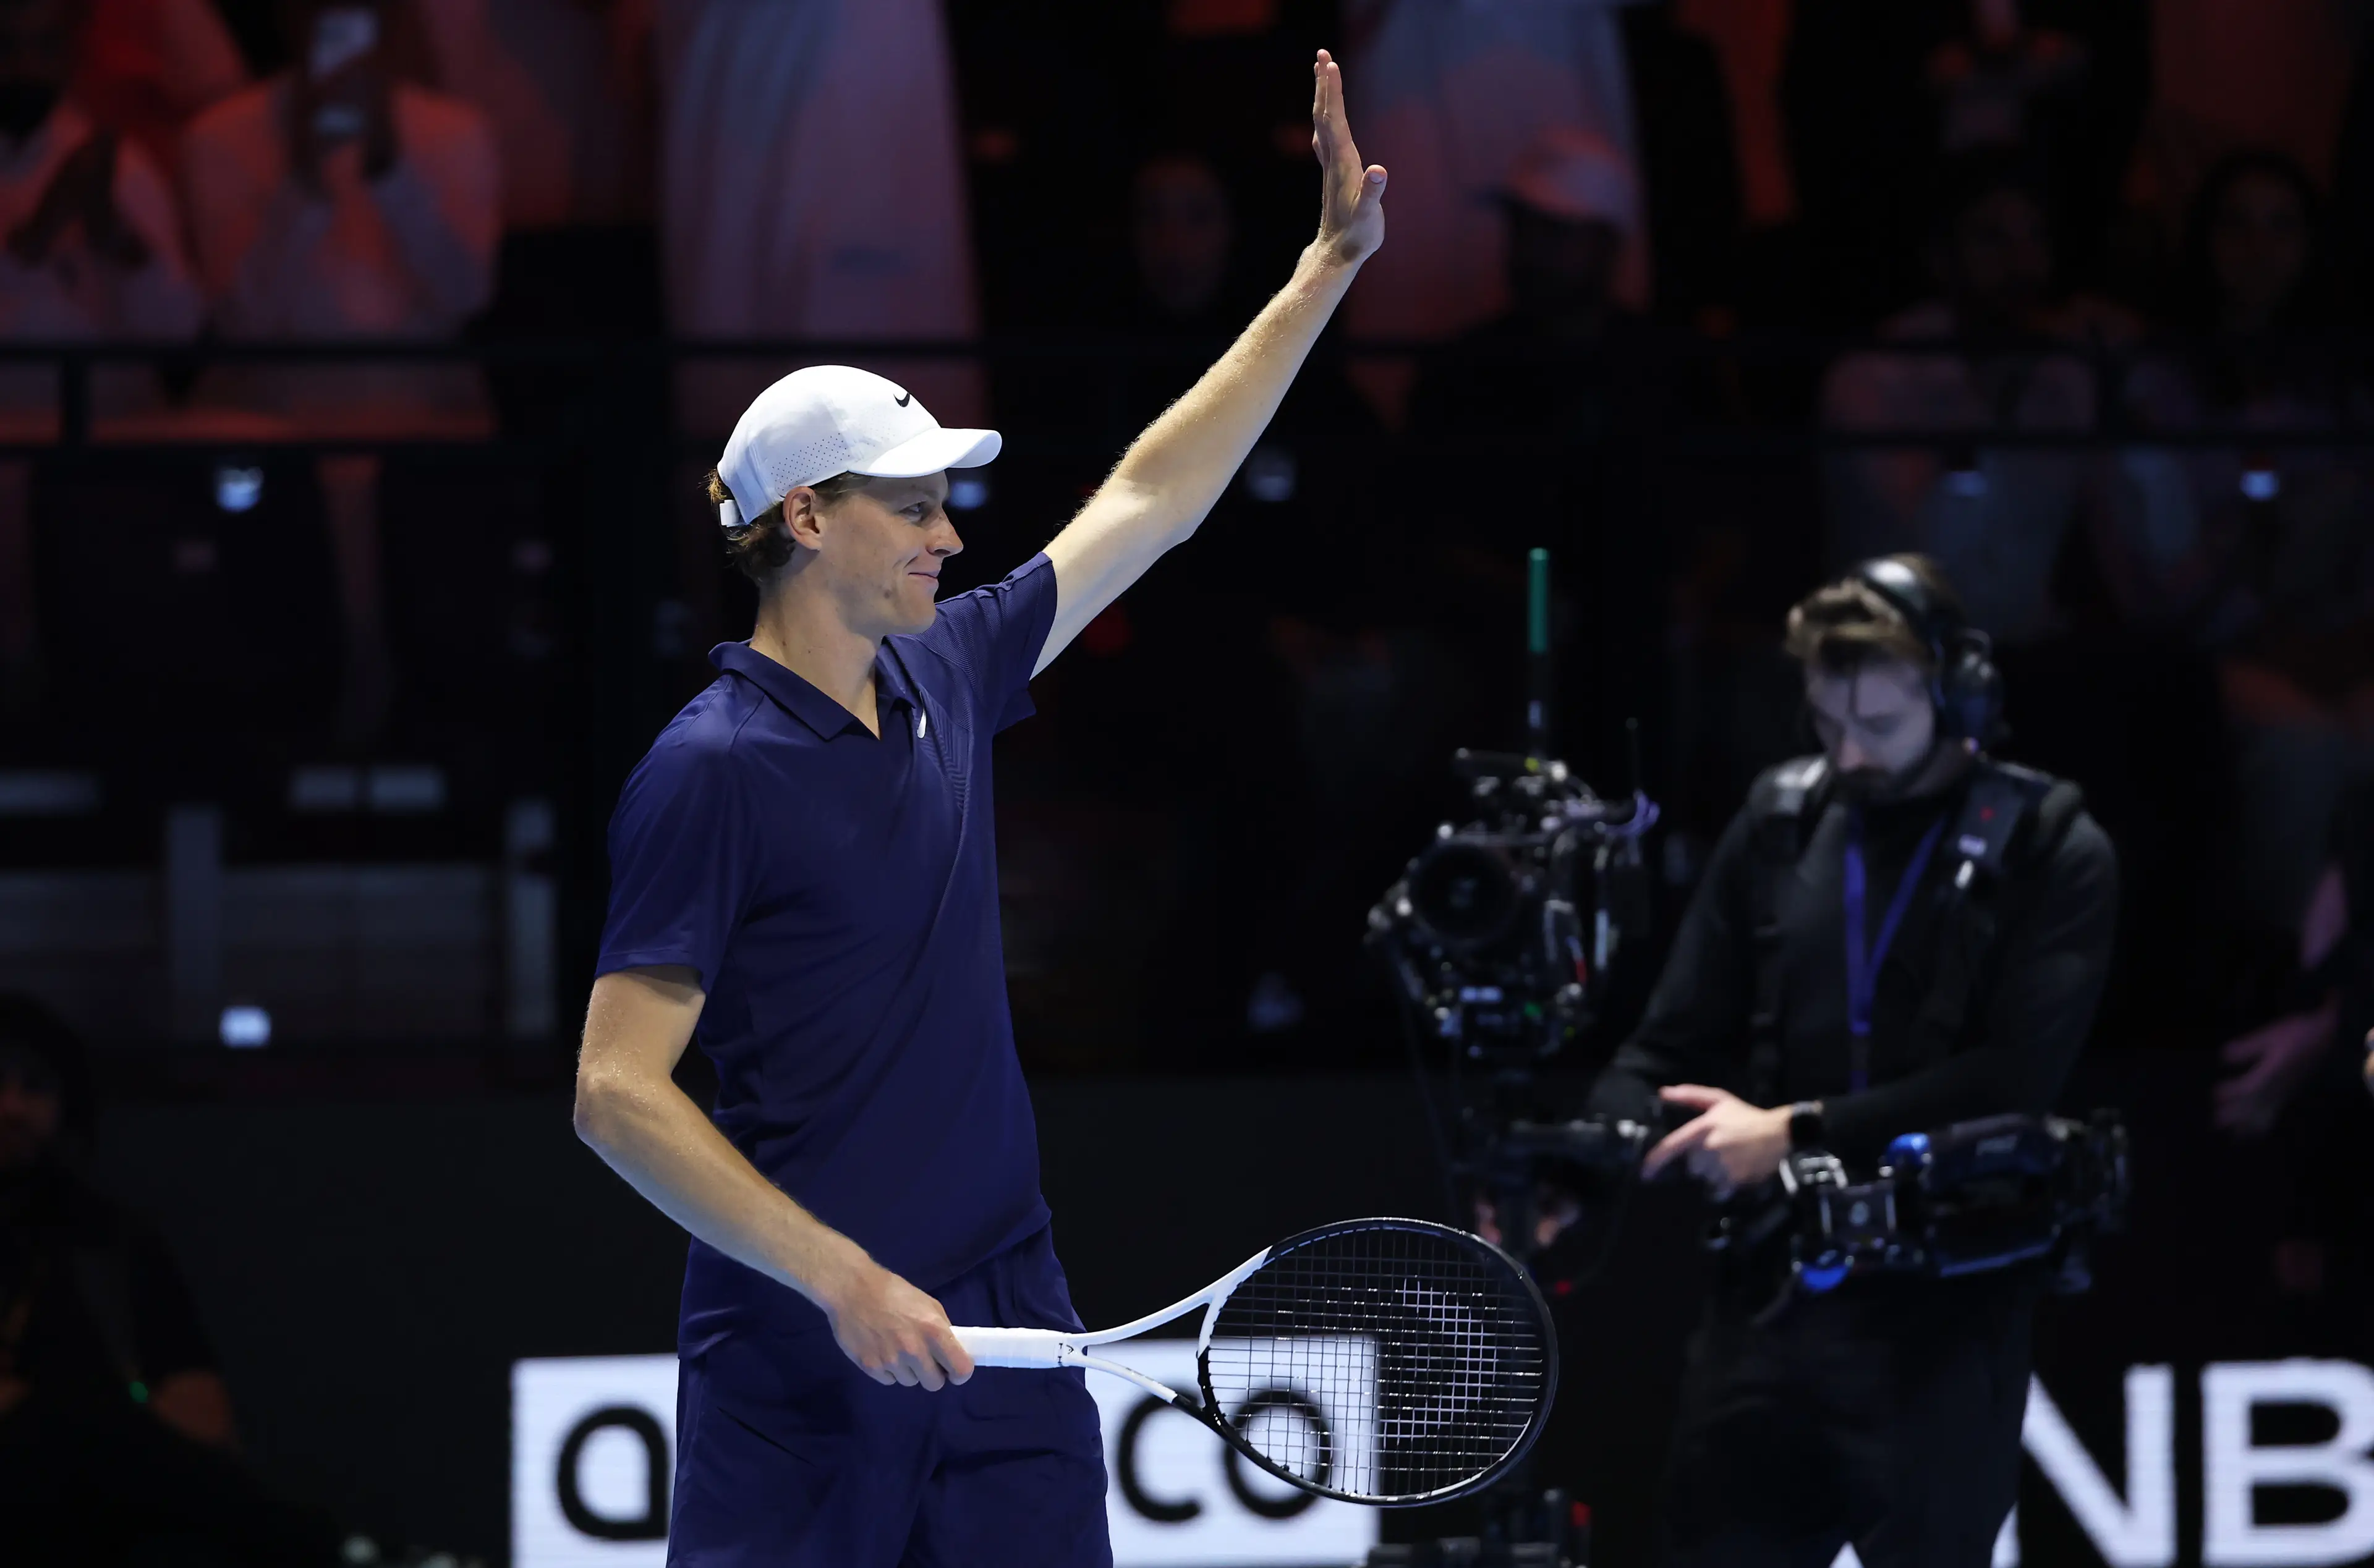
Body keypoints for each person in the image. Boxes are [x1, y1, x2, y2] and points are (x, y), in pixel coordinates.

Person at [571, 51, 1387, 1567]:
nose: (951, 536)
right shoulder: (710, 768)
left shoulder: (948, 667)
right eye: (914, 503)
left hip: (1010, 1316)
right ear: (806, 519)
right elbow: (614, 1092)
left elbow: (1153, 497)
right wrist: (839, 1278)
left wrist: (1319, 275)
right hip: (802, 1348)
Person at [1582, 555, 2118, 1567]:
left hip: (1947, 1311)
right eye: (1829, 724)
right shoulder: (1781, 821)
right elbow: (1669, 1043)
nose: (1851, 754)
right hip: (1770, 1300)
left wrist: (1791, 1130)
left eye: (1878, 726)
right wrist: (1588, 1155)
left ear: (1960, 696)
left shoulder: (2056, 845)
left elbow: (2015, 1078)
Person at [177, 0, 500, 742]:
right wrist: (308, 179)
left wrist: (388, 168)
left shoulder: (454, 132)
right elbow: (241, 317)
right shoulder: (221, 138)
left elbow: (465, 294)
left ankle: (426, 733)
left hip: (424, 421)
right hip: (273, 423)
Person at [0, 994, 352, 1566]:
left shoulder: (108, 1241)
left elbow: (204, 1420)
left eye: (34, 1087)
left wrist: (82, 1421)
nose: (12, 1107)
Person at [0, 0, 204, 714]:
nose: (23, 68)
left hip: (99, 468)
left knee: (99, 678)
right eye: (9, 47)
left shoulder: (121, 168)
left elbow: (178, 330)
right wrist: (34, 237)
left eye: (41, 47)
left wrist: (117, 240)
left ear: (71, 52)